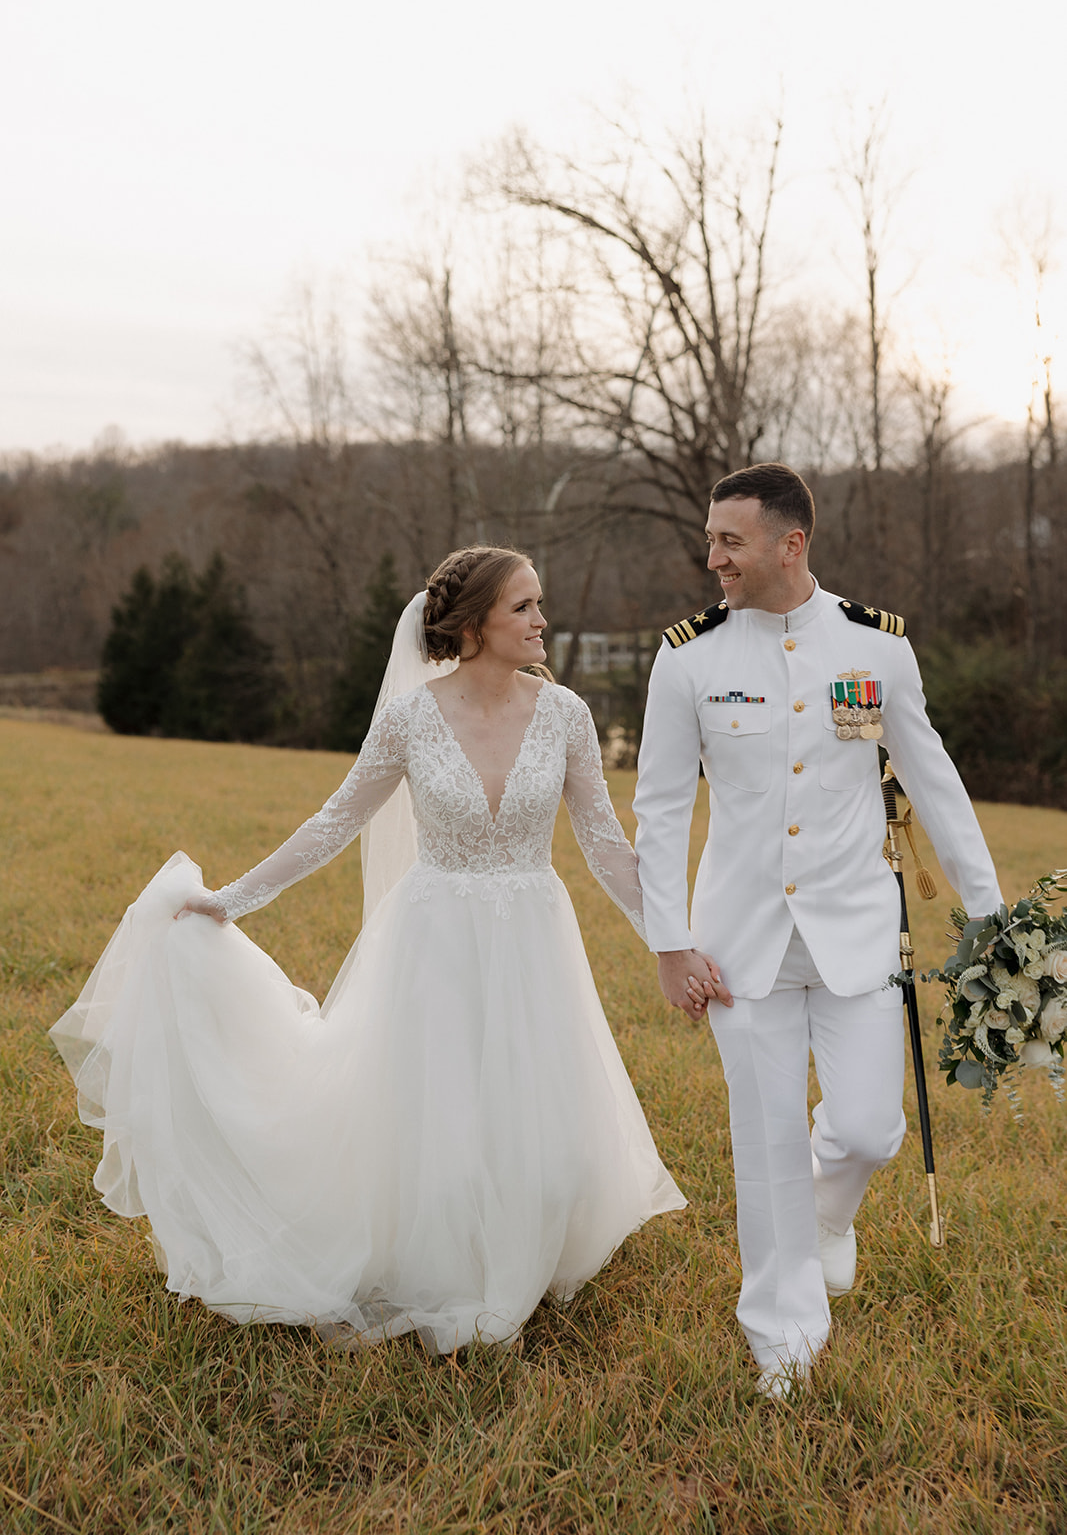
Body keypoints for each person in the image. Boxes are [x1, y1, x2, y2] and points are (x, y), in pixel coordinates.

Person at [52, 546, 684, 1354]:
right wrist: (230, 899)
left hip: (532, 938)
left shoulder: (564, 716)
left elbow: (603, 845)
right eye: (523, 606)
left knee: (538, 1123)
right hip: (434, 941)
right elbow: (333, 822)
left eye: (538, 605)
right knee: (438, 1118)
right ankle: (445, 1261)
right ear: (473, 623)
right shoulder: (413, 717)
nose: (541, 621)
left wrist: (673, 940)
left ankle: (520, 1249)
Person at [633, 463, 1001, 1397]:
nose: (712, 556)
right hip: (737, 946)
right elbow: (663, 808)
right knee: (761, 1147)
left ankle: (828, 1216)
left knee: (871, 1129)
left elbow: (934, 780)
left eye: (730, 540)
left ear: (790, 544)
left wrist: (988, 912)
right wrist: (668, 942)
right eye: (712, 538)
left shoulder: (876, 650)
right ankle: (783, 1335)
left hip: (855, 937)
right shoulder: (689, 658)